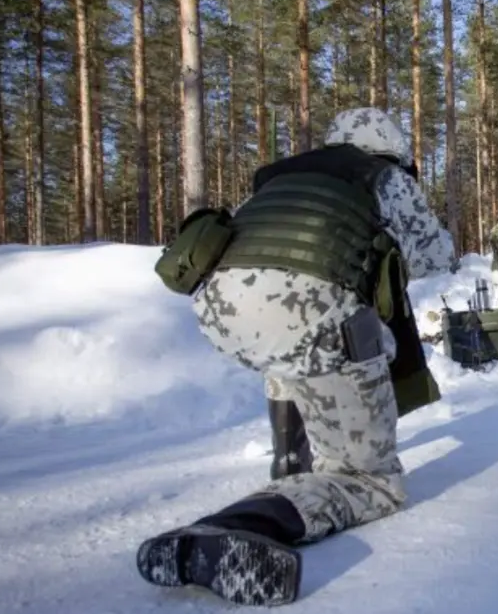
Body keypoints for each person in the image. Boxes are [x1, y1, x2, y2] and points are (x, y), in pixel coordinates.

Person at [137, 107, 455, 607]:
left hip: (221, 312)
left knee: (295, 335)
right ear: (391, 147)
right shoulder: (385, 175)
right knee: (370, 481)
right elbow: (437, 254)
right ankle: (231, 528)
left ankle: (291, 461)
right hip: (315, 315)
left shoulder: (281, 176)